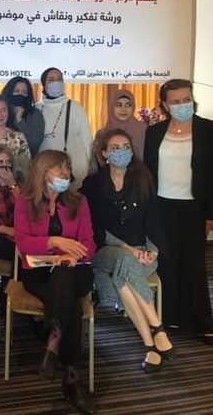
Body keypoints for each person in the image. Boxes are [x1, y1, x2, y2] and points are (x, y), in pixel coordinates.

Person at [81, 129, 173, 371]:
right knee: (124, 258)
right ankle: (157, 327)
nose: (121, 152)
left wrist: (153, 251)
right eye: (115, 148)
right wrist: (129, 249)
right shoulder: (92, 184)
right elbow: (95, 228)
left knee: (123, 274)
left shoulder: (143, 178)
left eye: (126, 147)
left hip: (144, 253)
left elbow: (154, 220)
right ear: (104, 153)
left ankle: (150, 344)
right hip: (107, 252)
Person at [14, 150, 97, 415]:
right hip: (38, 272)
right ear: (42, 172)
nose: (65, 173)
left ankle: (53, 341)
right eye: (58, 168)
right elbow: (23, 243)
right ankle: (71, 378)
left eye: (67, 168)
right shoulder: (25, 202)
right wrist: (54, 241)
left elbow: (89, 243)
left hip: (75, 269)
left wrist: (73, 256)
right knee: (70, 303)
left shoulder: (79, 201)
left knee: (64, 275)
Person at [144, 78, 213, 342]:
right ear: (165, 104)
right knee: (167, 262)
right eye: (176, 101)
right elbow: (148, 172)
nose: (183, 105)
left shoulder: (207, 129)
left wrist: (211, 214)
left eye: (186, 99)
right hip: (162, 205)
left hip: (195, 206)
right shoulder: (154, 132)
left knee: (194, 264)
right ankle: (169, 318)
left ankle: (201, 321)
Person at [37, 67, 93, 189]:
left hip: (74, 172)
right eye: (51, 79)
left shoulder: (75, 107)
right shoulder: (37, 109)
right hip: (45, 173)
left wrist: (92, 167)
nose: (56, 82)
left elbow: (87, 140)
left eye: (59, 79)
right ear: (44, 84)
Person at [92, 90, 146, 167]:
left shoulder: (144, 130)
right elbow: (98, 163)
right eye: (118, 105)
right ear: (111, 107)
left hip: (139, 173)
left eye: (128, 105)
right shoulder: (102, 134)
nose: (123, 109)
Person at [1, 76, 45, 155]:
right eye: (16, 91)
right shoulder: (0, 112)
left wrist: (20, 120)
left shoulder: (35, 114)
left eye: (24, 92)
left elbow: (34, 144)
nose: (20, 95)